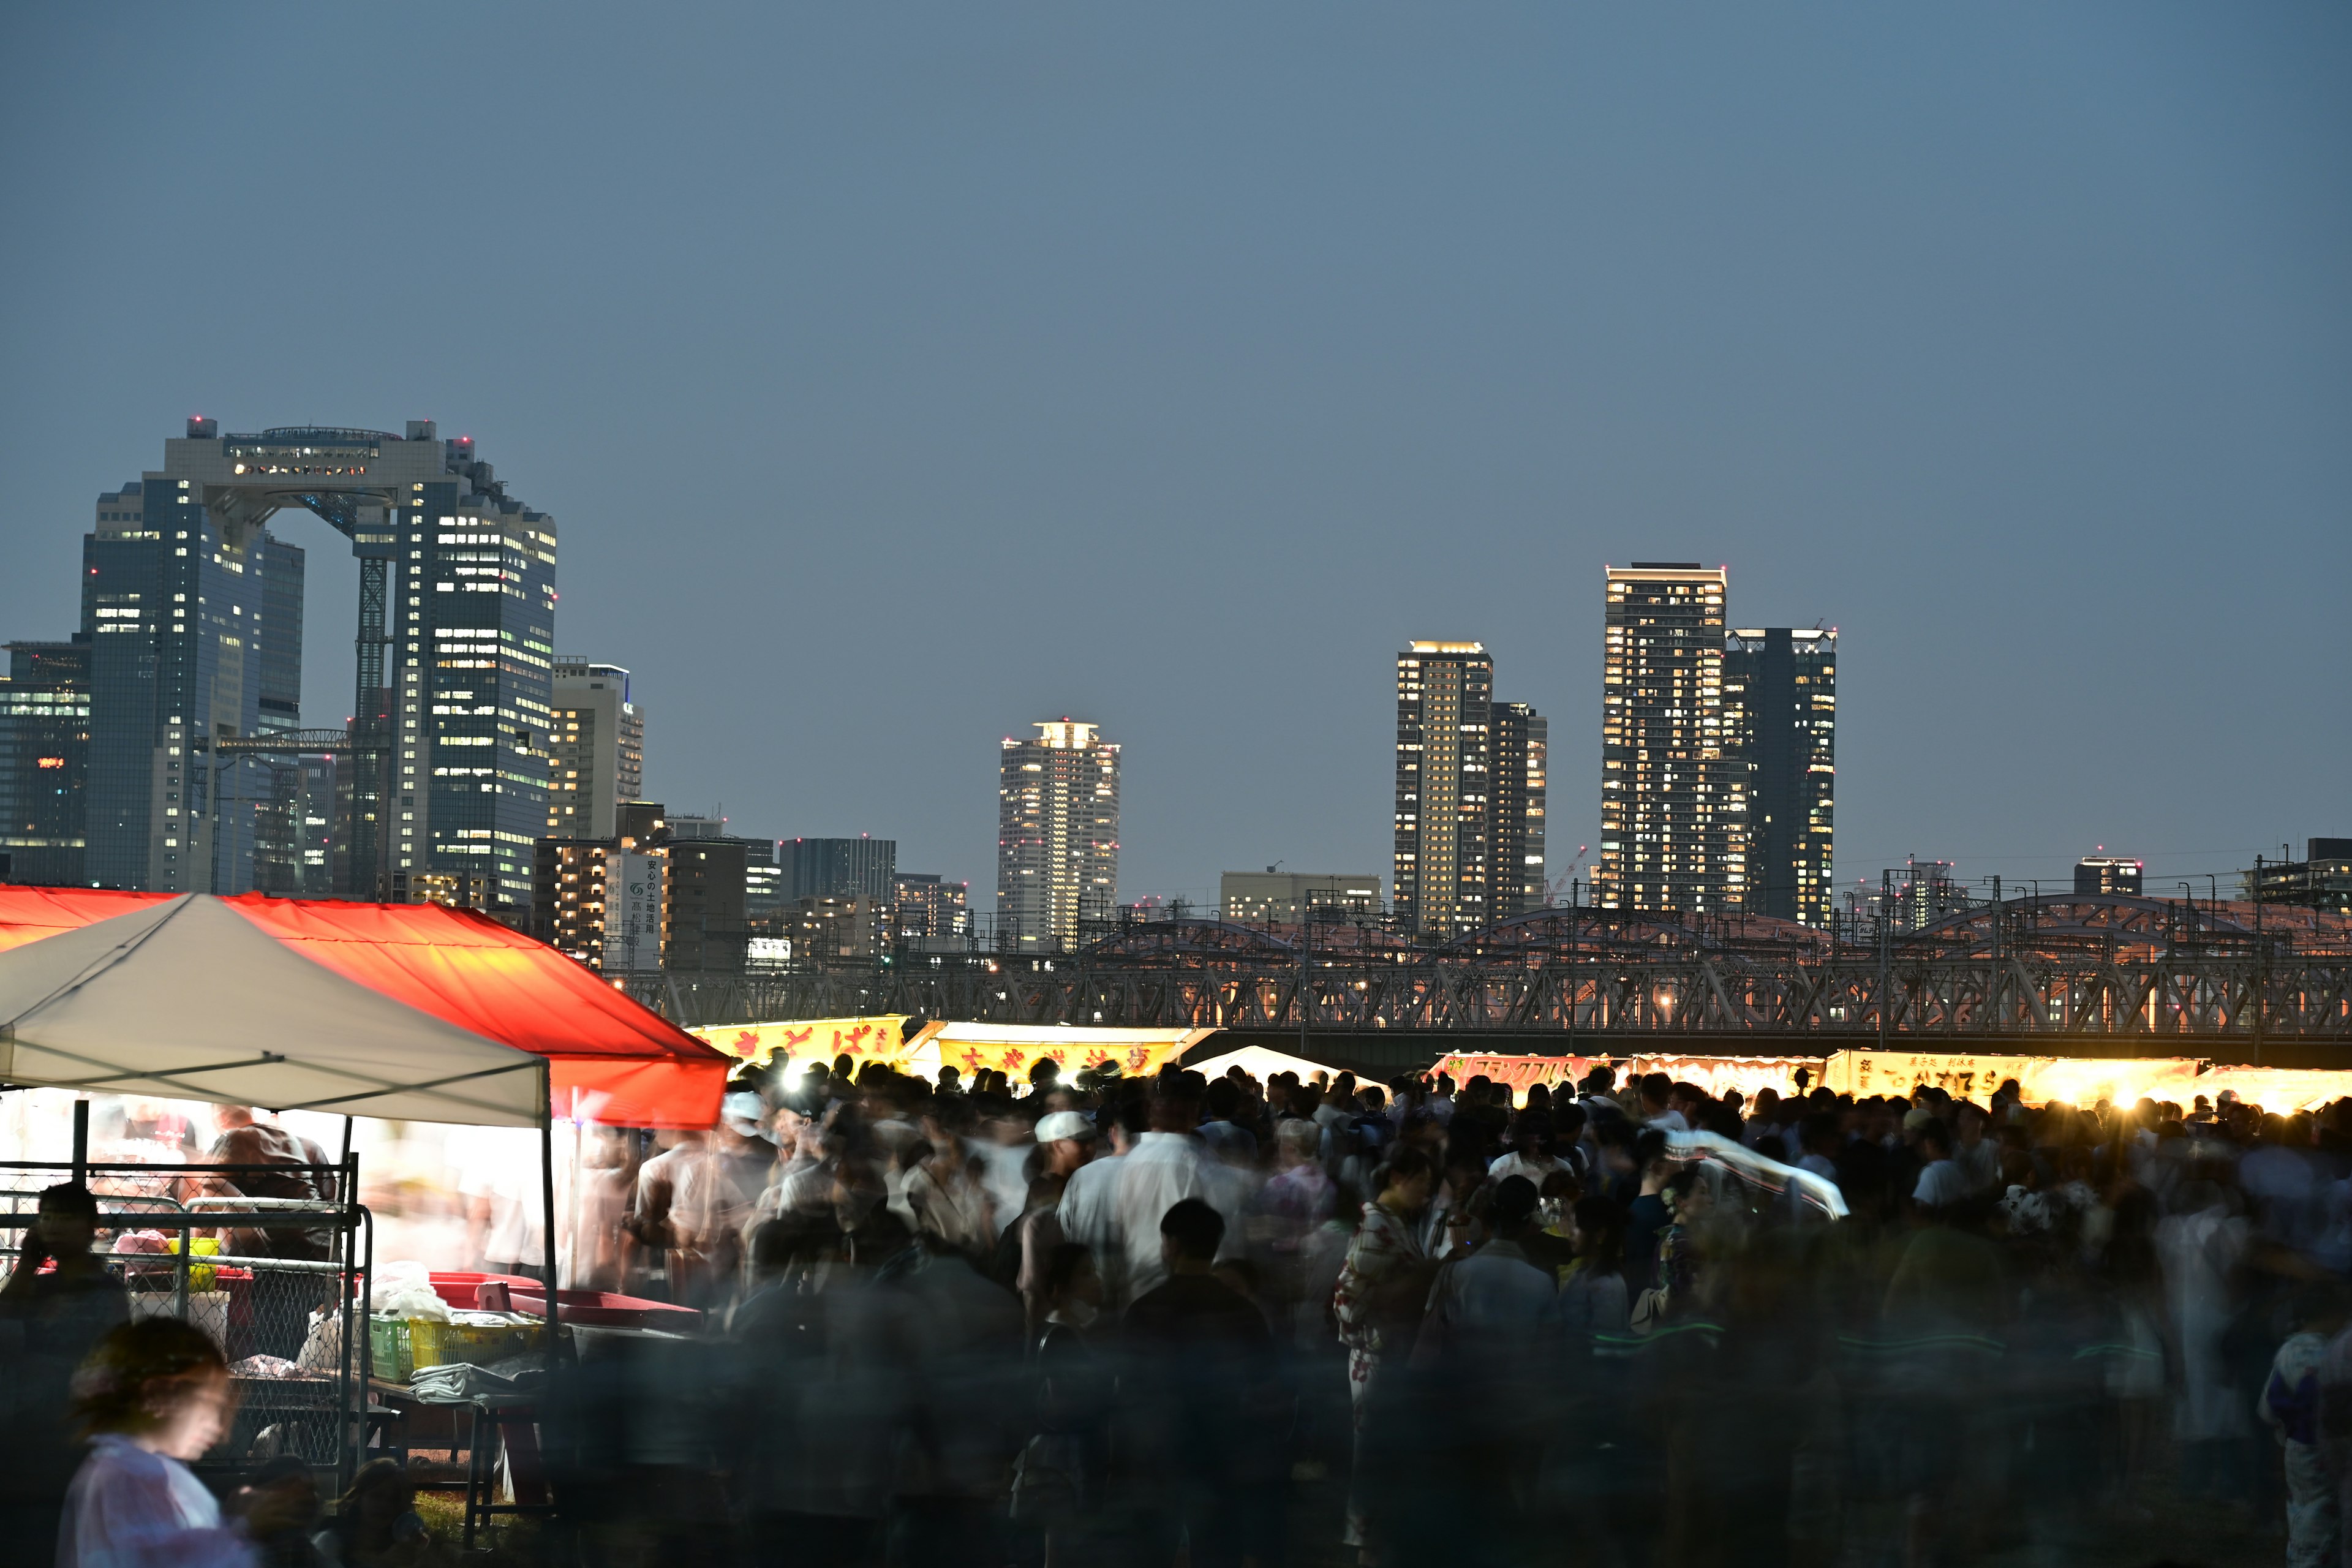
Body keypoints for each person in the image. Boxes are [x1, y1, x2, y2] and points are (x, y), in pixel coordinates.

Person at [57, 1316, 292, 1567]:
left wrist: (234, 1522)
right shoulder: (123, 1477)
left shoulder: (142, 1468)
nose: (218, 1426)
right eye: (207, 1404)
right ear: (155, 1396)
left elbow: (174, 1545)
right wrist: (244, 1527)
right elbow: (165, 1559)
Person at [1122, 1199, 1281, 1568]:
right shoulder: (1242, 1311)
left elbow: (1132, 1388)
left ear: (1172, 1246)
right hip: (1223, 1455)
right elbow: (1266, 1384)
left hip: (1160, 1456)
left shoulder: (1146, 1311)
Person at [0, 1183, 129, 1564]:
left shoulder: (105, 1291)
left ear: (92, 1227)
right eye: (48, 1216)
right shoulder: (36, 1286)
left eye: (66, 1216)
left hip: (73, 1429)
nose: (54, 1225)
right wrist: (26, 1263)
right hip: (21, 1426)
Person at [1331, 1148, 1436, 1555]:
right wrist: (1372, 1330)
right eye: (1422, 1182)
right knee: (1372, 1444)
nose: (1426, 1193)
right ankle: (1365, 1537)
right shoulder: (1378, 1224)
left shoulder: (1386, 1220)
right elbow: (1348, 1294)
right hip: (1378, 1352)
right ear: (1399, 1178)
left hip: (1385, 1348)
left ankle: (1370, 1534)